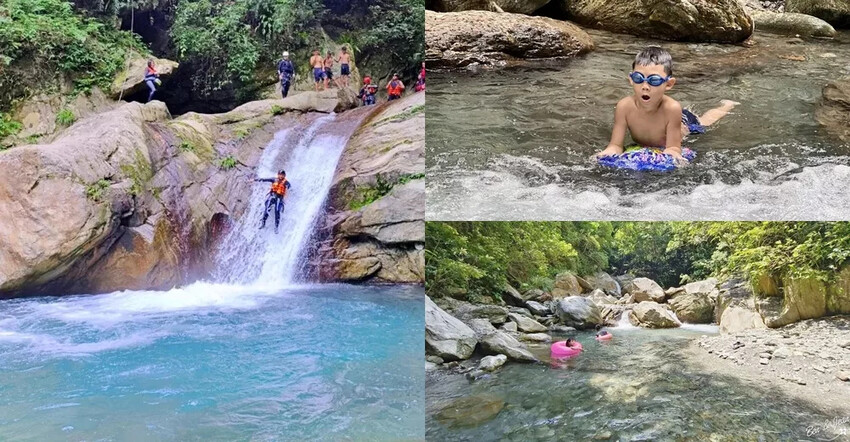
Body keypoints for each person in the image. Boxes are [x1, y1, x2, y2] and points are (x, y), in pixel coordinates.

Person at [594, 46, 738, 164]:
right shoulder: (624, 107)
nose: (645, 86)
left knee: (704, 122)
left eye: (654, 80)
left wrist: (674, 155)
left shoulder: (672, 109)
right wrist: (605, 154)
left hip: (684, 123)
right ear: (631, 79)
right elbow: (615, 145)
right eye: (638, 78)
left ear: (668, 84)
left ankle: (726, 105)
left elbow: (673, 147)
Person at [254, 170, 291, 234]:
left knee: (277, 211)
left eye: (282, 175)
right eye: (280, 174)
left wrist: (286, 198)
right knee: (267, 208)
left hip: (279, 198)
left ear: (284, 175)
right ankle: (263, 223)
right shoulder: (274, 179)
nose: (281, 176)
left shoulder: (286, 183)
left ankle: (276, 227)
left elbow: (288, 190)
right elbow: (264, 179)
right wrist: (254, 180)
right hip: (272, 196)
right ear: (278, 175)